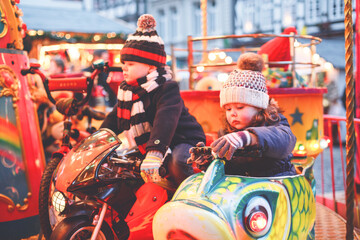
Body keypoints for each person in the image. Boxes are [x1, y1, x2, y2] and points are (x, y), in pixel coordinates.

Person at [100, 14, 206, 186]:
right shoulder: (129, 92)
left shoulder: (166, 88)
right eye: (124, 63)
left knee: (178, 163)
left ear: (150, 66)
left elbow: (165, 121)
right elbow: (113, 119)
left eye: (131, 64)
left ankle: (190, 197)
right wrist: (97, 142)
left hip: (182, 139)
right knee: (125, 166)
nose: (124, 67)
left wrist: (155, 152)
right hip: (151, 144)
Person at [189, 53, 297, 177]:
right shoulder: (227, 133)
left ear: (258, 107)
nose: (233, 113)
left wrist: (248, 137)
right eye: (228, 109)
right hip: (245, 185)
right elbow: (229, 166)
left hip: (276, 180)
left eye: (240, 107)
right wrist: (208, 161)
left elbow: (284, 141)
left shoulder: (274, 121)